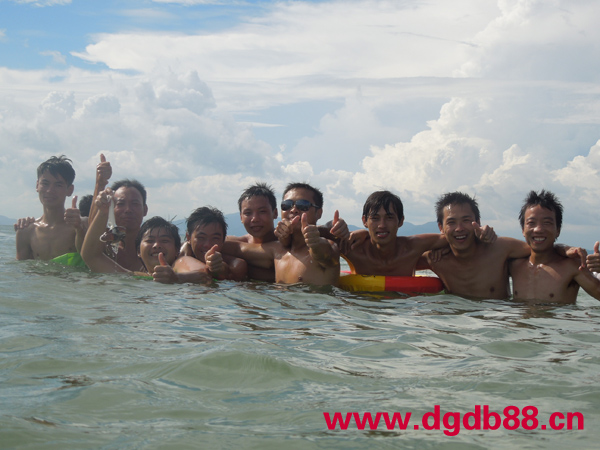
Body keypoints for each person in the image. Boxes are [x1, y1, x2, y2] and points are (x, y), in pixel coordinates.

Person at [426, 192, 579, 300]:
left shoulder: (501, 248)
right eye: (451, 222)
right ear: (441, 227)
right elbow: (409, 257)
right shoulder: (436, 258)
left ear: (478, 222)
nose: (459, 228)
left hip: (497, 322)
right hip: (455, 322)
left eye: (466, 220)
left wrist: (565, 249)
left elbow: (540, 248)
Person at [342, 190, 496, 276]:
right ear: (364, 221)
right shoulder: (354, 248)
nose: (382, 225)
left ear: (401, 221)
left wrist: (481, 234)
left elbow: (455, 236)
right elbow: (328, 239)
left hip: (403, 309)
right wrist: (362, 233)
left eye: (389, 218)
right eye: (375, 219)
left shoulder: (413, 246)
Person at [223, 182, 342, 286]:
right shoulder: (277, 250)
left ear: (318, 213)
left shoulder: (328, 246)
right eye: (287, 205)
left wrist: (315, 243)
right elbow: (238, 249)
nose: (293, 209)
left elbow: (326, 256)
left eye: (303, 205)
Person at [509, 190, 600, 302]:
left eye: (547, 223)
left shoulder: (572, 267)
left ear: (558, 230)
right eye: (531, 223)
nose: (538, 229)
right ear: (523, 230)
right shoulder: (514, 266)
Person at [80, 188, 182, 283]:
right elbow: (91, 256)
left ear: (177, 249)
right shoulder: (133, 277)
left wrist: (177, 278)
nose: (156, 245)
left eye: (164, 240)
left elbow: (193, 272)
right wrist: (103, 212)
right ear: (138, 252)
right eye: (150, 241)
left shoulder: (183, 268)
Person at [15, 155, 86, 261]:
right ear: (37, 185)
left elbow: (92, 260)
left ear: (70, 190)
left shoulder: (82, 225)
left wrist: (79, 230)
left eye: (58, 185)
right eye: (45, 183)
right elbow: (21, 269)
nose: (50, 190)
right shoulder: (26, 231)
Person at [173, 206, 247, 281]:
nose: (207, 245)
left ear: (223, 241)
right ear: (188, 237)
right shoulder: (177, 255)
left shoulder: (235, 266)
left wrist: (219, 268)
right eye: (201, 237)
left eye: (215, 238)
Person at [226, 183, 279, 281]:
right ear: (241, 217)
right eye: (248, 213)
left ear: (275, 213)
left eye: (262, 211)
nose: (255, 219)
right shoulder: (236, 241)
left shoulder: (287, 243)